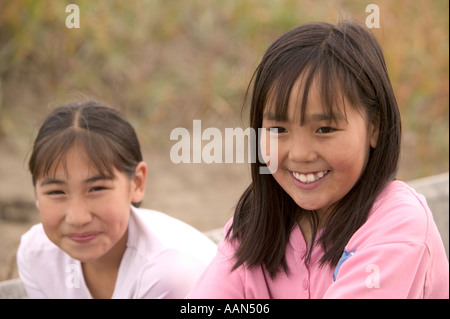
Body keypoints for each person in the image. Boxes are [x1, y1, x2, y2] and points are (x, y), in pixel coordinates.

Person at [187, 21, 449, 299]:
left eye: (324, 129)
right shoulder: (255, 224)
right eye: (278, 129)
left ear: (374, 127)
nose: (300, 154)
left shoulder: (398, 225)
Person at [17, 100, 217, 299]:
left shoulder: (169, 272)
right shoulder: (37, 254)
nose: (78, 218)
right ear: (36, 193)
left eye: (96, 189)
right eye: (56, 192)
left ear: (136, 183)